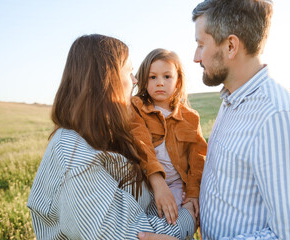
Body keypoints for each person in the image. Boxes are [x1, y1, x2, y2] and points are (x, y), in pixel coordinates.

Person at [139, 0, 290, 239]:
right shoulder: (231, 103)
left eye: (200, 45)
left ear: (230, 46)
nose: (196, 57)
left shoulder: (279, 116)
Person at [27, 34, 196, 240]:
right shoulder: (75, 155)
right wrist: (190, 214)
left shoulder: (105, 136)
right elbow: (135, 235)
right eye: (129, 72)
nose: (135, 81)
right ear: (106, 80)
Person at [130, 48, 207, 225]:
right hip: (146, 181)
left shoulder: (190, 117)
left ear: (178, 81)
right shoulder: (137, 107)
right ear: (144, 79)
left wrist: (193, 192)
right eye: (153, 77)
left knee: (173, 219)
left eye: (167, 77)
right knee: (144, 222)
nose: (159, 83)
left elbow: (198, 158)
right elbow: (141, 144)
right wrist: (158, 183)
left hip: (177, 185)